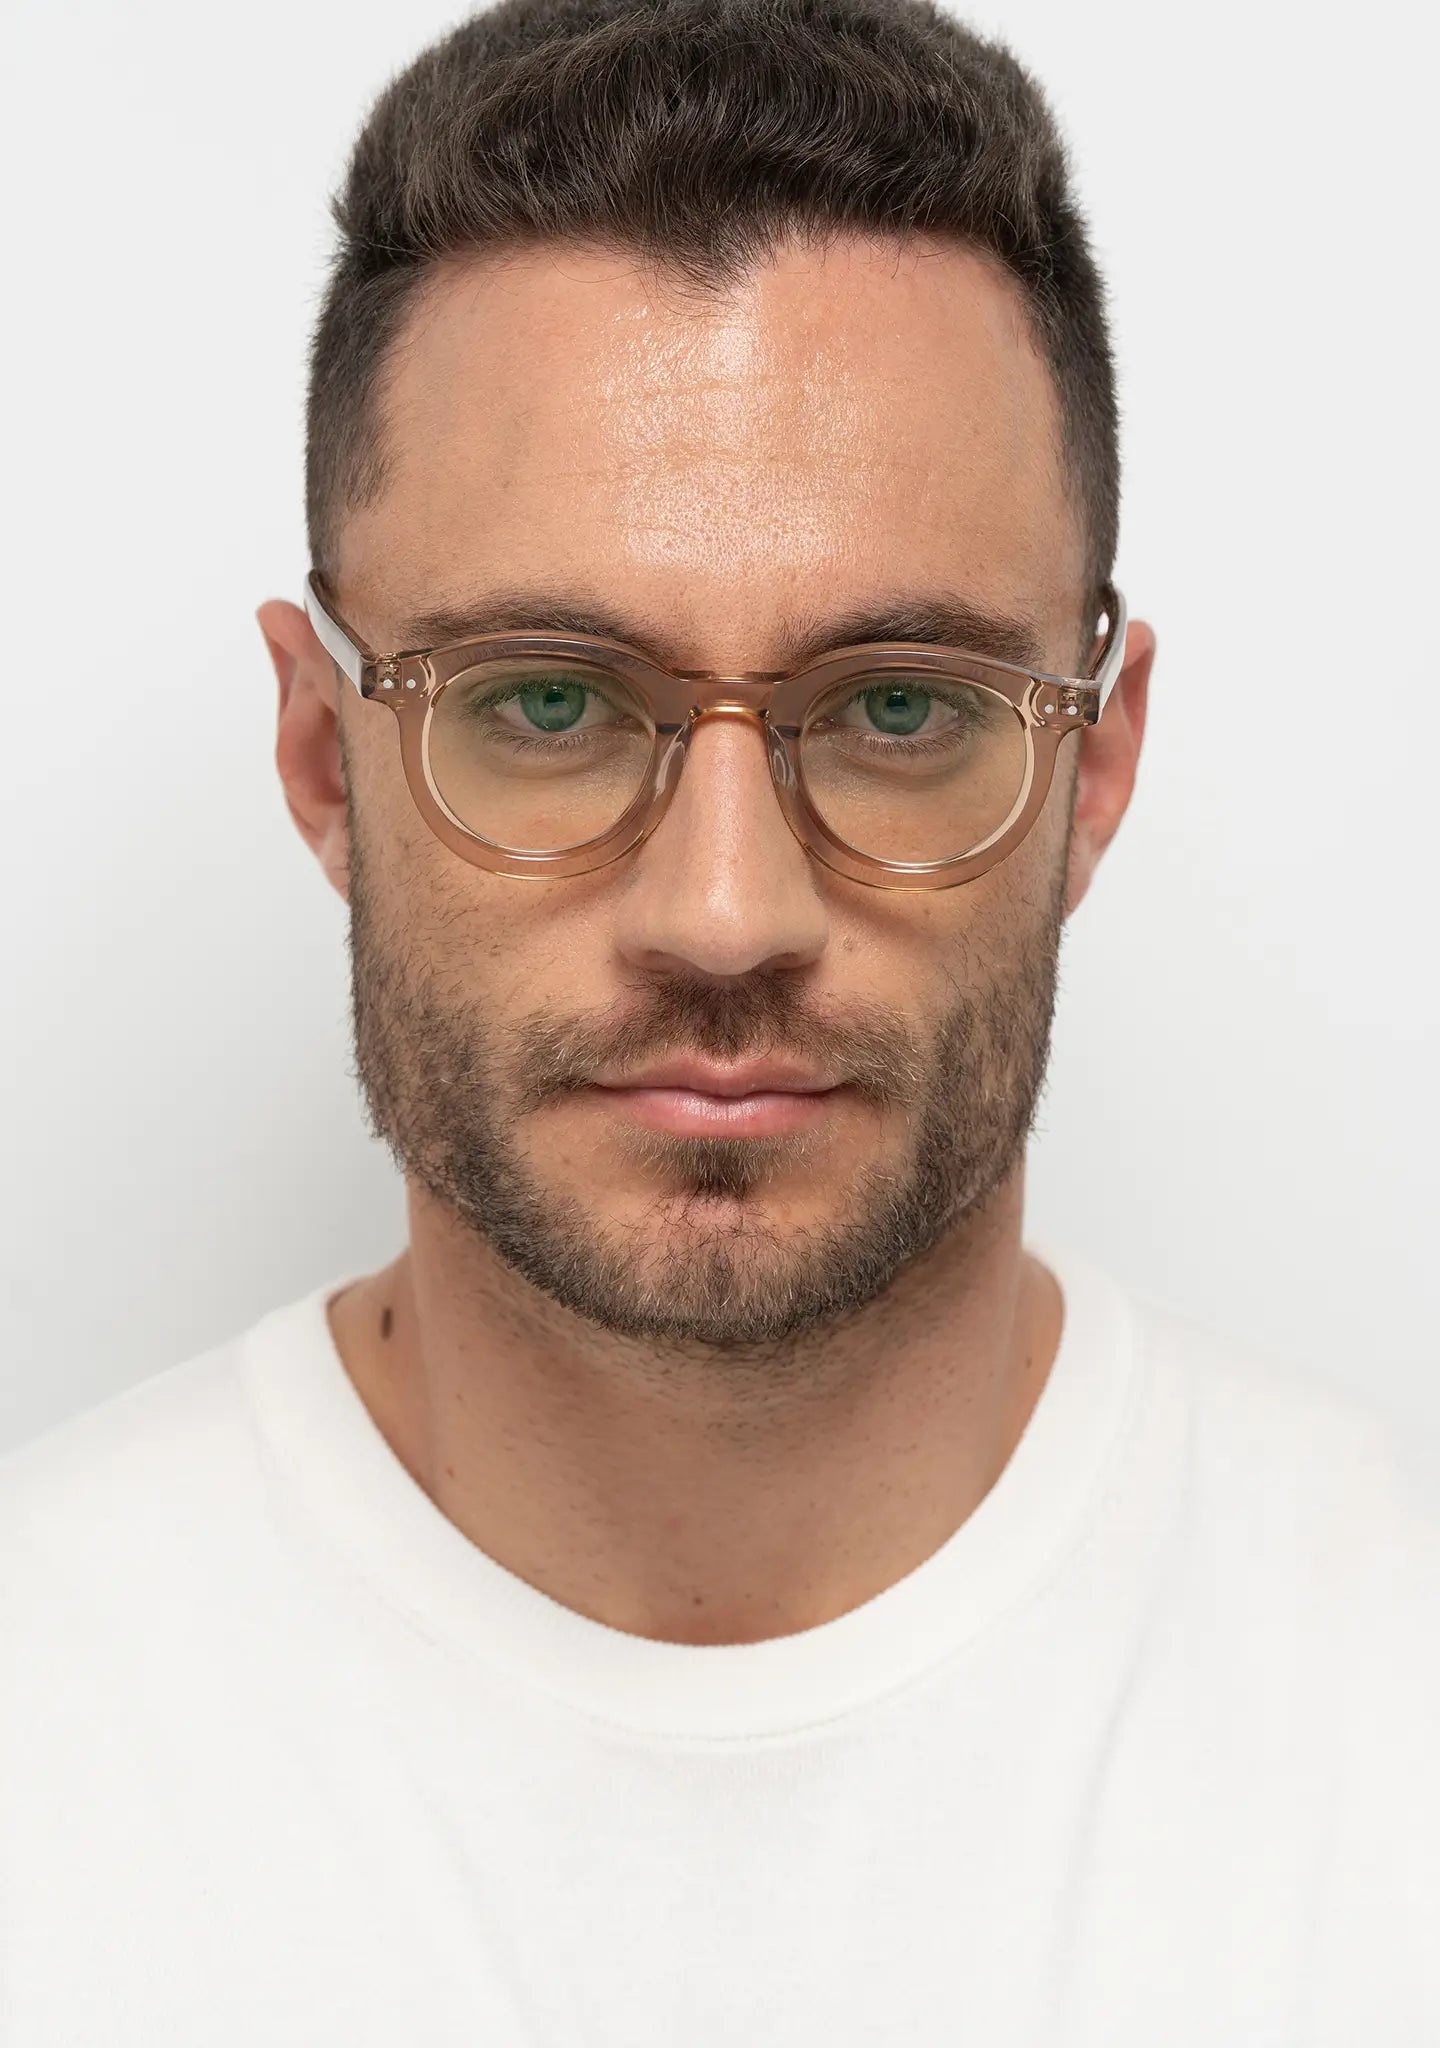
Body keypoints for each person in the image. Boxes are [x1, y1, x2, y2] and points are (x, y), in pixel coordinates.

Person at [2, 0, 1436, 2040]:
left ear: (1095, 767)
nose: (726, 914)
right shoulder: (44, 1738)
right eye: (547, 702)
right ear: (325, 758)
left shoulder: (1393, 1713)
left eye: (903, 707)